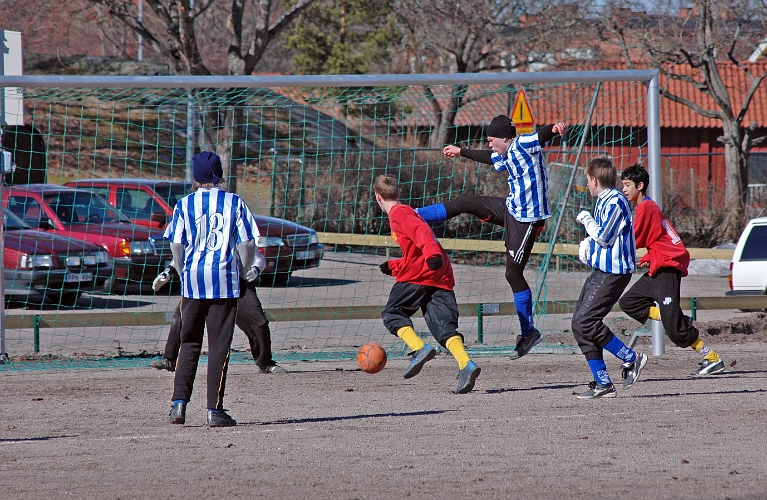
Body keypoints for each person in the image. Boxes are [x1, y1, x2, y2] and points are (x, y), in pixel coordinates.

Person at [417, 116, 566, 360]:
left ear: (505, 138)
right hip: (511, 208)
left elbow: (541, 135)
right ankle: (415, 215)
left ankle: (529, 333)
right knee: (465, 200)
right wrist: (461, 151)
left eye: (491, 140)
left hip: (528, 220)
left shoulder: (521, 144)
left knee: (512, 274)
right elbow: (489, 158)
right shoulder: (504, 153)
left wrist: (554, 128)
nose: (489, 144)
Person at [163, 150, 260, 427]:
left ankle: (178, 404)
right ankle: (213, 410)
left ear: (195, 177)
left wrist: (183, 271)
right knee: (219, 346)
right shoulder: (234, 202)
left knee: (189, 342)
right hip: (224, 281)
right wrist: (243, 269)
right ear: (220, 174)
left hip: (193, 282)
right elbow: (247, 243)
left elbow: (176, 244)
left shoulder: (184, 204)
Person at [375, 175, 481, 394]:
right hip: (439, 274)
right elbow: (416, 250)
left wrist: (432, 253)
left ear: (378, 198)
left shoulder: (399, 212)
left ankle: (418, 348)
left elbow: (422, 234)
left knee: (393, 313)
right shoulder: (406, 212)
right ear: (398, 193)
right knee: (444, 327)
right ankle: (465, 364)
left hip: (421, 275)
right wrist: (395, 266)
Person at [619, 164, 725, 376]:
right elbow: (659, 238)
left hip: (667, 269)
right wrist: (649, 257)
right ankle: (674, 316)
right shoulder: (645, 206)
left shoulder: (646, 207)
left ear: (640, 186)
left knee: (675, 331)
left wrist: (610, 243)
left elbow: (636, 238)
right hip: (659, 265)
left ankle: (712, 358)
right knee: (629, 302)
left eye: (627, 185)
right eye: (622, 185)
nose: (624, 189)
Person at [572, 158, 647, 399]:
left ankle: (631, 357)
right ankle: (603, 383)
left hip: (615, 273)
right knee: (578, 324)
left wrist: (586, 220)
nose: (587, 184)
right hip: (603, 270)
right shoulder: (603, 202)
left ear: (594, 180)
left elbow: (604, 236)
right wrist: (588, 251)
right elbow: (604, 241)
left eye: (587, 180)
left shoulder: (615, 201)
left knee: (586, 321)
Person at [151, 276, 287, 375]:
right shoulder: (198, 236)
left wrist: (254, 269)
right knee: (181, 315)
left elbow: (254, 254)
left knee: (258, 322)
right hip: (204, 280)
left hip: (236, 282)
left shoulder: (239, 236)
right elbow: (183, 249)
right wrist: (169, 271)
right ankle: (169, 359)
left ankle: (266, 364)